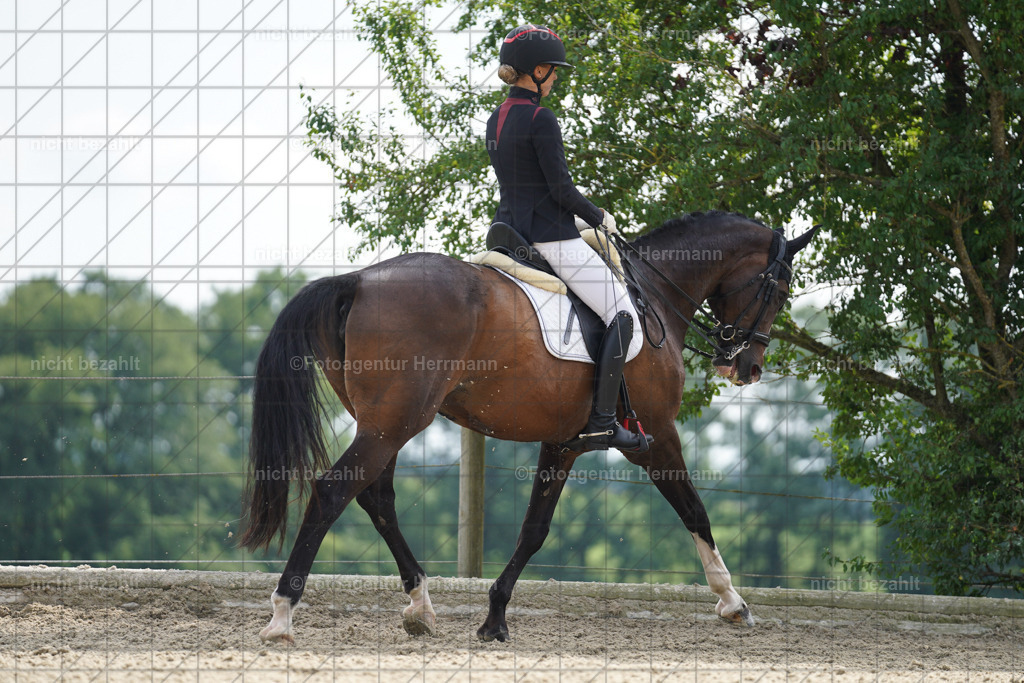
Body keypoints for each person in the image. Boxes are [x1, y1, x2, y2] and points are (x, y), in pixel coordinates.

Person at [485, 24, 652, 453]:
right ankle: (600, 422)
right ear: (537, 70)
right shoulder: (542, 118)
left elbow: (521, 185)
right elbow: (560, 190)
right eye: (553, 70)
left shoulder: (496, 118)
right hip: (551, 239)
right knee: (622, 313)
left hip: (508, 233)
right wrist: (598, 218)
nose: (556, 77)